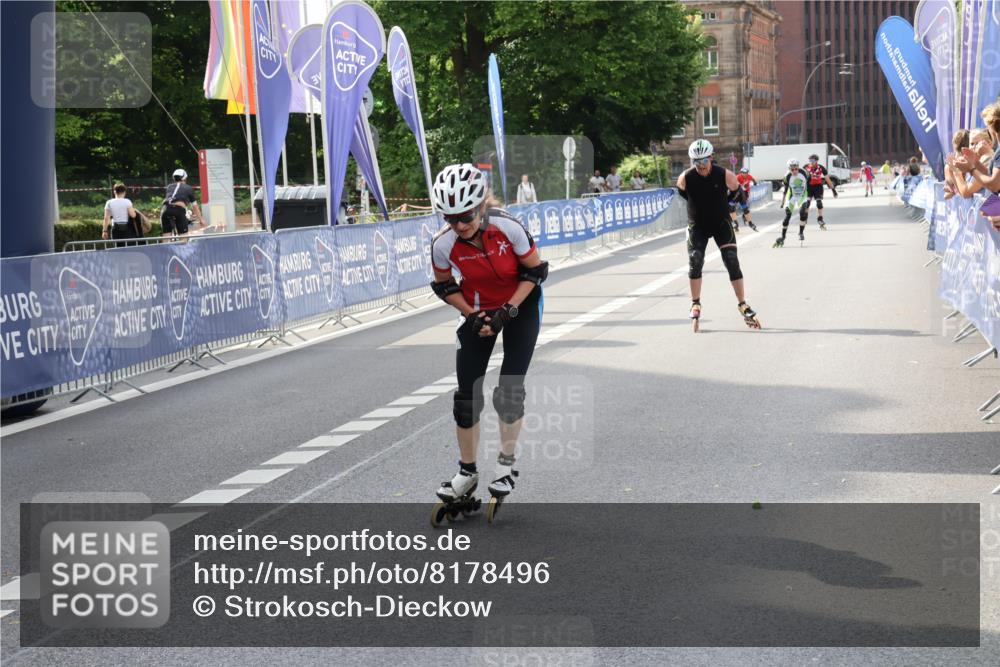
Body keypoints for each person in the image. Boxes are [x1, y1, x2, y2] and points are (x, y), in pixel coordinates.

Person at [429, 163, 548, 522]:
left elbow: (535, 271)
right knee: (466, 397)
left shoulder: (507, 226)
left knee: (509, 391)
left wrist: (506, 312)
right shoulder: (443, 243)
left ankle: (506, 465)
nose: (459, 225)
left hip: (521, 305)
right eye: (450, 219)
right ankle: (467, 473)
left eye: (465, 216)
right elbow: (445, 286)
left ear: (480, 206)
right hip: (478, 308)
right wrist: (472, 315)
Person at [676, 139, 760, 331]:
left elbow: (739, 193)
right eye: (696, 162)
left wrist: (734, 207)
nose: (701, 166)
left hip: (721, 223)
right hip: (698, 225)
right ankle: (695, 303)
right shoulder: (685, 177)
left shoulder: (725, 174)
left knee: (731, 259)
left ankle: (742, 304)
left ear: (711, 158)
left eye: (704, 161)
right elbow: (682, 194)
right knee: (695, 259)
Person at [955, 102, 1000, 195]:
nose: (988, 129)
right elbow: (991, 175)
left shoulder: (997, 153)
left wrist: (971, 170)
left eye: (987, 125)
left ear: (994, 125)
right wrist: (975, 162)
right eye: (971, 143)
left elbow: (994, 185)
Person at [773, 158, 811, 248]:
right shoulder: (787, 176)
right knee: (788, 216)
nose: (794, 171)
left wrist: (809, 196)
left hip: (802, 196)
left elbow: (809, 184)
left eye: (796, 169)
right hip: (792, 196)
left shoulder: (805, 173)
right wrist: (783, 201)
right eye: (792, 169)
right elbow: (785, 190)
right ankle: (783, 236)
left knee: (802, 213)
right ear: (789, 169)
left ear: (798, 167)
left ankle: (801, 233)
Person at [948, 128, 995, 198]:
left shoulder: (987, 161)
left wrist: (956, 173)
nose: (974, 147)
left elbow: (966, 193)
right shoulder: (973, 163)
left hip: (989, 207)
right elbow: (961, 193)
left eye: (977, 143)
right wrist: (952, 171)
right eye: (972, 144)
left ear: (989, 143)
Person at [160, 168, 204, 237]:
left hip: (165, 210)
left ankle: (166, 244)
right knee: (183, 238)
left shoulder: (169, 187)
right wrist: (201, 220)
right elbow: (195, 206)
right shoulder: (188, 188)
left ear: (174, 178)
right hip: (178, 211)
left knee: (166, 237)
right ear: (185, 177)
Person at [802, 153, 838, 231]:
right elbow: (800, 177)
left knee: (819, 203)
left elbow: (828, 179)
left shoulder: (821, 168)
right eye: (810, 160)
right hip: (809, 187)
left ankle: (820, 219)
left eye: (813, 160)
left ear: (817, 161)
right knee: (807, 204)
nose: (811, 162)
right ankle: (805, 217)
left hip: (818, 187)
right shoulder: (806, 167)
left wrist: (833, 190)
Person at [731, 166, 758, 231]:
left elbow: (753, 179)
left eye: (746, 173)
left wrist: (755, 183)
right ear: (741, 172)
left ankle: (750, 223)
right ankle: (735, 223)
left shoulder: (749, 176)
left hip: (744, 194)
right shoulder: (738, 177)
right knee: (731, 208)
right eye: (743, 173)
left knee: (745, 209)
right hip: (736, 194)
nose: (745, 174)